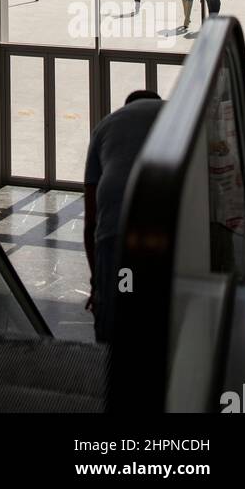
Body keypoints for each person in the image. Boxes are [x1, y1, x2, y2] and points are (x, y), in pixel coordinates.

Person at [84, 91, 163, 344]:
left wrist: (97, 285)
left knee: (116, 300)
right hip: (162, 224)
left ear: (126, 106)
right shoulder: (174, 113)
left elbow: (91, 221)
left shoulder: (105, 125)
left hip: (115, 228)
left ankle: (111, 366)